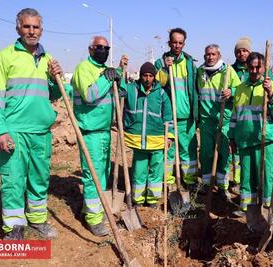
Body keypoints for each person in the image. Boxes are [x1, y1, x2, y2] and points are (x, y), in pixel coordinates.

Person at [0, 8, 68, 240]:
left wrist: (55, 79)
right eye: (26, 26)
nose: (31, 31)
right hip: (14, 131)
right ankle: (13, 227)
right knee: (13, 178)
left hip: (41, 132)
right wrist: (0, 131)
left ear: (41, 30)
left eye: (36, 27)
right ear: (18, 28)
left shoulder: (47, 59)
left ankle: (37, 219)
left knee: (39, 178)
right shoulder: (5, 57)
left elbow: (53, 95)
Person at [71, 36, 123, 236]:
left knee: (103, 173)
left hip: (104, 131)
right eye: (99, 47)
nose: (103, 50)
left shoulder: (106, 71)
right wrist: (106, 78)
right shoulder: (84, 68)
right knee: (93, 175)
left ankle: (92, 208)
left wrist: (120, 81)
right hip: (89, 131)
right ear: (91, 49)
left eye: (106, 48)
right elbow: (90, 95)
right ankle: (93, 218)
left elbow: (119, 94)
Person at [229, 52, 273, 226]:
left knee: (266, 178)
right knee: (247, 178)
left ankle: (268, 209)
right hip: (245, 141)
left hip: (265, 141)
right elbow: (234, 116)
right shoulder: (241, 88)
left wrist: (271, 95)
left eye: (258, 67)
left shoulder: (271, 85)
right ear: (246, 67)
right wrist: (232, 137)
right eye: (251, 67)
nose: (254, 71)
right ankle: (248, 208)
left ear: (264, 67)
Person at [123, 62, 174, 207]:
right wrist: (121, 69)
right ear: (140, 75)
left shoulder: (162, 93)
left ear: (154, 77)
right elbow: (120, 91)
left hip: (157, 140)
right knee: (139, 172)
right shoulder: (132, 90)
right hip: (138, 141)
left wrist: (169, 135)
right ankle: (138, 200)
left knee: (156, 172)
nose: (147, 79)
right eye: (145, 75)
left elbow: (168, 116)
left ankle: (152, 200)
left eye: (151, 76)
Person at [154, 28, 198, 190]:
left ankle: (190, 180)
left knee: (188, 151)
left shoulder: (189, 64)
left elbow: (195, 89)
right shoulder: (160, 63)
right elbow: (157, 85)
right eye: (174, 42)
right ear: (169, 43)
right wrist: (165, 69)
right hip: (168, 117)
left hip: (186, 116)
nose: (177, 45)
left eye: (180, 43)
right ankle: (169, 181)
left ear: (184, 44)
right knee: (169, 151)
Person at [197, 44, 241, 201]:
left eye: (213, 54)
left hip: (223, 120)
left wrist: (232, 92)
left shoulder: (227, 71)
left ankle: (222, 187)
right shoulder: (200, 72)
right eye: (208, 54)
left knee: (224, 154)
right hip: (206, 121)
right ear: (204, 56)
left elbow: (240, 89)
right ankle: (207, 183)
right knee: (206, 153)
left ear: (219, 55)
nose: (210, 57)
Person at [228, 36, 252, 195]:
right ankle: (237, 180)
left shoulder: (257, 67)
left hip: (252, 116)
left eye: (244, 50)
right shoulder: (231, 70)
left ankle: (249, 181)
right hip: (236, 114)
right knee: (236, 151)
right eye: (239, 51)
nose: (241, 54)